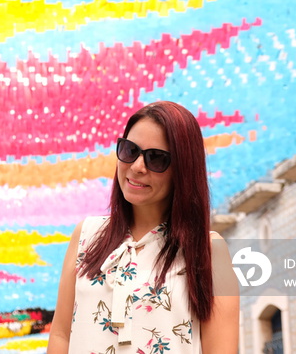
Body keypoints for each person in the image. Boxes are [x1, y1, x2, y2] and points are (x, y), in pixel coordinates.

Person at [47, 101, 239, 354]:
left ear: (183, 170)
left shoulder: (209, 251)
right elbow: (61, 334)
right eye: (129, 150)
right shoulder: (86, 235)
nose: (137, 167)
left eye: (156, 158)